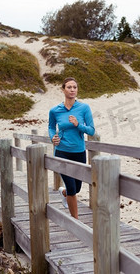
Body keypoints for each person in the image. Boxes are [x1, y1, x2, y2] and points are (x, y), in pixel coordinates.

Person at [48, 77, 95, 219]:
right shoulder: (55, 110)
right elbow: (51, 127)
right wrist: (52, 137)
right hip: (62, 152)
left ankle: (64, 193)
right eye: (69, 87)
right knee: (73, 189)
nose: (72, 90)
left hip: (79, 152)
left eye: (75, 87)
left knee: (77, 188)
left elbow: (91, 131)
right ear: (63, 90)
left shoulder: (84, 108)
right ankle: (76, 221)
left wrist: (78, 125)